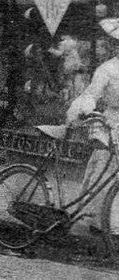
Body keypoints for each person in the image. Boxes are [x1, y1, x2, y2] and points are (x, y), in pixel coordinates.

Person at [67, 16, 119, 230]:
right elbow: (91, 94)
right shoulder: (107, 70)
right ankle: (101, 221)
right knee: (104, 171)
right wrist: (87, 110)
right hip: (110, 122)